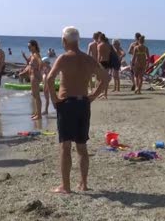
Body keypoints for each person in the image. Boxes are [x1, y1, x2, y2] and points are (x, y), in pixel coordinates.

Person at [46, 26, 107, 194]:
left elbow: (49, 79)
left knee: (65, 146)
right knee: (81, 146)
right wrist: (93, 96)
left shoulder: (64, 58)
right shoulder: (88, 59)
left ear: (65, 41)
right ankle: (83, 183)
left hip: (67, 105)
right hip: (82, 104)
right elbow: (105, 78)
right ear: (77, 41)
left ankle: (66, 186)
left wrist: (54, 99)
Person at [23, 40, 42, 120]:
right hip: (32, 75)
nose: (29, 48)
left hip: (35, 76)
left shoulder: (36, 54)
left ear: (34, 46)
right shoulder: (32, 54)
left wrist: (38, 70)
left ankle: (39, 115)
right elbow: (29, 63)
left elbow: (40, 62)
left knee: (36, 96)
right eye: (28, 47)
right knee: (34, 95)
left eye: (30, 46)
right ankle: (36, 113)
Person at [97, 33, 112, 99]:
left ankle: (101, 93)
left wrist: (97, 63)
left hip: (102, 62)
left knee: (101, 79)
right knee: (105, 78)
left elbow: (99, 56)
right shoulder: (108, 45)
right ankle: (105, 94)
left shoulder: (100, 45)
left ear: (100, 38)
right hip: (108, 62)